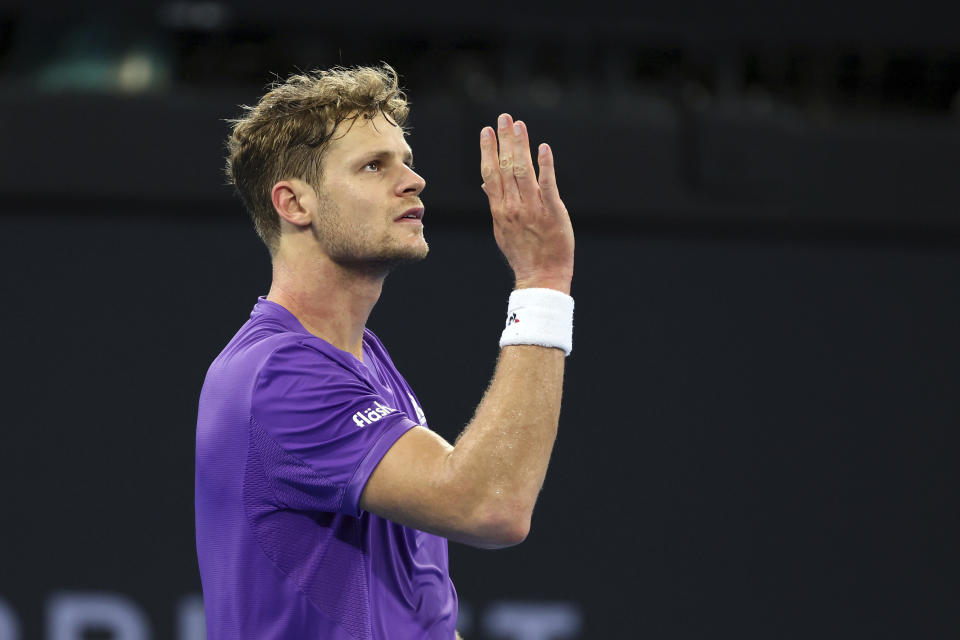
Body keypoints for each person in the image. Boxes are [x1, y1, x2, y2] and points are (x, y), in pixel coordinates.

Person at [195, 64, 575, 639]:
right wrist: (543, 281)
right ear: (295, 204)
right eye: (374, 166)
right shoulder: (280, 375)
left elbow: (417, 598)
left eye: (405, 159)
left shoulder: (362, 358)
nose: (413, 179)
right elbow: (491, 504)